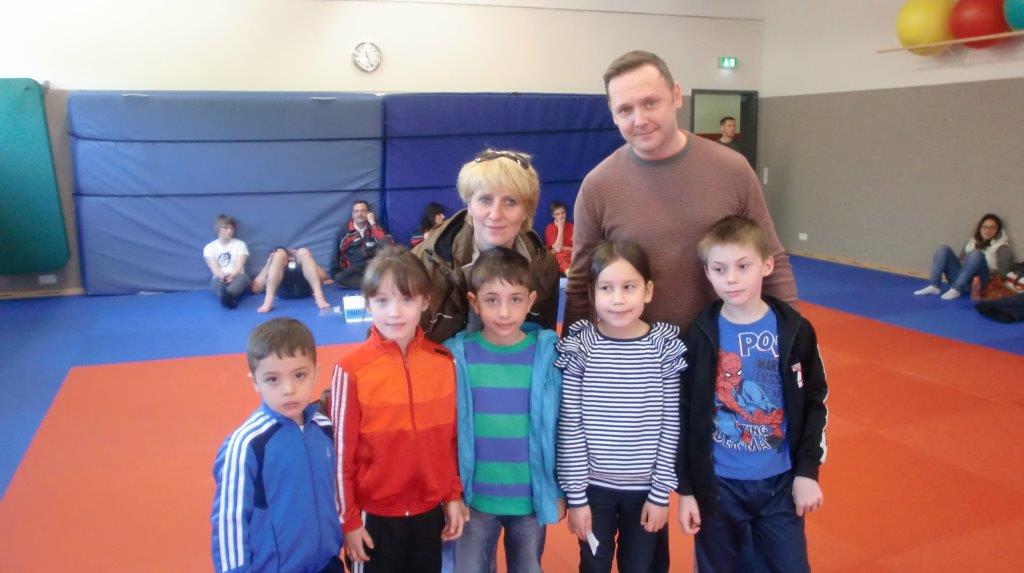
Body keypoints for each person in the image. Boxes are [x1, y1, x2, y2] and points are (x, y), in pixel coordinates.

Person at [563, 50, 796, 333]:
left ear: (676, 96)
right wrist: (574, 350)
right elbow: (581, 283)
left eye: (650, 103)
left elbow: (772, 260)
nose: (639, 119)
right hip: (639, 353)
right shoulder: (598, 186)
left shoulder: (732, 169)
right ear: (613, 113)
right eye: (625, 110)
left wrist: (794, 337)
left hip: (722, 347)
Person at [676, 216, 828, 572]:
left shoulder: (795, 330)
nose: (731, 278)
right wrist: (687, 490)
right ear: (707, 273)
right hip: (718, 487)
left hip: (780, 483)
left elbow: (815, 401)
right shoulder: (698, 335)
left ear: (767, 265)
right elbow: (683, 414)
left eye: (743, 266)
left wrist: (807, 471)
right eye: (720, 269)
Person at [330, 245, 465, 573]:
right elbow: (340, 456)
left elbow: (449, 441)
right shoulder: (351, 370)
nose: (395, 312)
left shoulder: (443, 363)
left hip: (428, 513)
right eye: (382, 301)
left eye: (407, 299)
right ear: (368, 303)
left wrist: (452, 495)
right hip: (374, 516)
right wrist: (348, 521)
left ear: (425, 301)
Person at [557, 240, 686, 572]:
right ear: (592, 293)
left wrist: (660, 494)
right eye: (607, 288)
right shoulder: (581, 347)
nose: (618, 299)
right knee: (593, 564)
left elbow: (671, 425)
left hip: (644, 491)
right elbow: (570, 424)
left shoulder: (663, 348)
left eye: (629, 287)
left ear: (648, 291)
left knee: (639, 565)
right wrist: (576, 498)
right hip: (593, 489)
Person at [444, 247, 565, 573]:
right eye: (492, 300)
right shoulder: (456, 357)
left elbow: (560, 428)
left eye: (515, 299)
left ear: (530, 301)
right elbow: (446, 433)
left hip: (529, 497)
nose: (504, 312)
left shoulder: (547, 357)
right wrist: (450, 493)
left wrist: (557, 490)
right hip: (474, 499)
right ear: (474, 302)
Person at [210, 318, 344, 573]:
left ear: (315, 372)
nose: (289, 389)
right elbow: (229, 522)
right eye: (273, 379)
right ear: (255, 382)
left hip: (328, 563)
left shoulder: (325, 429)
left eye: (300, 375)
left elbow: (335, 493)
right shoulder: (247, 444)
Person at [413, 149, 560, 343]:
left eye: (510, 201)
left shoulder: (543, 267)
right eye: (485, 200)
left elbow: (543, 344)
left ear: (526, 211)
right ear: (469, 205)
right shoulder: (422, 266)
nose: (495, 214)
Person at [913, 213, 1013, 300]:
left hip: (982, 282)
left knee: (976, 254)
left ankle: (957, 289)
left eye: (992, 228)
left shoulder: (1002, 247)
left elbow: (1003, 273)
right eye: (985, 227)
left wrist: (977, 266)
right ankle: (934, 286)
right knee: (943, 248)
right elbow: (960, 259)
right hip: (963, 278)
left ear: (998, 230)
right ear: (980, 228)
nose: (988, 230)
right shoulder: (972, 241)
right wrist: (967, 267)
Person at [252, 247, 332, 313]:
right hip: (283, 291)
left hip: (305, 289)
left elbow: (324, 277)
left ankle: (319, 296)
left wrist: (304, 258)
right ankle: (268, 300)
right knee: (279, 255)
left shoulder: (299, 262)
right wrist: (269, 264)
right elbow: (256, 288)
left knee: (303, 251)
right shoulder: (273, 265)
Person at [332, 199, 389, 289]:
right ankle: (374, 284)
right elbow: (336, 256)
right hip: (356, 270)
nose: (359, 214)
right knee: (339, 278)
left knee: (389, 271)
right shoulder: (344, 232)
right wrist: (334, 275)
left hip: (374, 267)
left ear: (368, 213)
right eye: (356, 211)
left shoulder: (376, 226)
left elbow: (388, 247)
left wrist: (373, 224)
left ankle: (372, 283)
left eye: (363, 211)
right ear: (352, 214)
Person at [202, 214, 250, 309]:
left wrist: (233, 275)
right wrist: (222, 275)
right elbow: (214, 269)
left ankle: (227, 296)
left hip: (238, 276)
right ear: (218, 229)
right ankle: (226, 297)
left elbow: (239, 266)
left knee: (244, 279)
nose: (229, 231)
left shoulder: (240, 245)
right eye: (225, 228)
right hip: (219, 277)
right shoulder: (209, 248)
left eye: (231, 228)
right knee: (215, 283)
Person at [544, 200, 574, 275]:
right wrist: (560, 228)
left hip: (572, 255)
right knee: (558, 255)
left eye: (563, 213)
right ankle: (569, 272)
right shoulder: (550, 228)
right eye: (557, 214)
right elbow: (557, 249)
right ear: (553, 216)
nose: (561, 216)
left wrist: (564, 248)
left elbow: (577, 247)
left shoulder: (572, 226)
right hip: (559, 257)